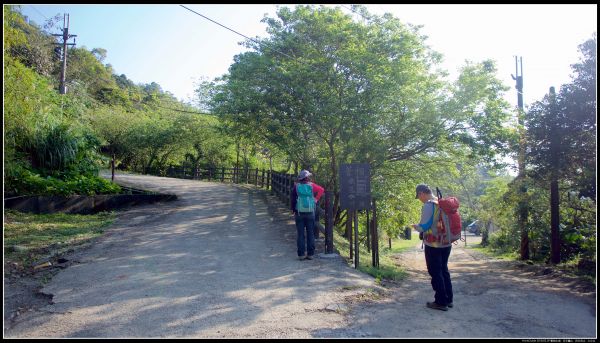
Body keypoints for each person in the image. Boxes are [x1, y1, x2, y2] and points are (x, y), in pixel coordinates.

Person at [411, 184, 453, 311]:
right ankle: (448, 299)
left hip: (434, 244)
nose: (419, 199)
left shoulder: (429, 205)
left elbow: (424, 226)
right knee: (444, 270)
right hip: (446, 242)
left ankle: (440, 302)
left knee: (435, 271)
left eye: (418, 196)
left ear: (421, 193)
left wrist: (415, 226)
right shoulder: (441, 202)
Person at [290, 170, 324, 260]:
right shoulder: (312, 185)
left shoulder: (296, 187)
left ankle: (301, 254)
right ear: (308, 177)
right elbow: (321, 190)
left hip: (299, 212)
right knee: (310, 233)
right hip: (310, 212)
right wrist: (315, 199)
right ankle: (310, 254)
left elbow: (293, 199)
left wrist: (293, 210)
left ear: (300, 178)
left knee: (300, 234)